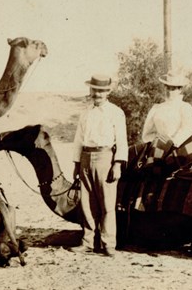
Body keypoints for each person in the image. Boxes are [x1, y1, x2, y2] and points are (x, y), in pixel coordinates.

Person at [71, 74, 128, 256]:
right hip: (86, 156)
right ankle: (88, 242)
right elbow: (78, 140)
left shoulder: (115, 113)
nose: (98, 94)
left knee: (107, 203)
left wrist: (117, 163)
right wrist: (76, 164)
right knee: (87, 203)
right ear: (90, 90)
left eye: (102, 91)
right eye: (95, 90)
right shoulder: (85, 113)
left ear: (108, 92)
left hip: (105, 157)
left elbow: (121, 140)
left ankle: (108, 243)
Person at [141, 72, 192, 146]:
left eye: (173, 88)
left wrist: (171, 142)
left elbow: (188, 130)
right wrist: (158, 141)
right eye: (167, 87)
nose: (169, 91)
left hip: (179, 150)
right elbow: (147, 135)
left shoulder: (185, 108)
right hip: (159, 149)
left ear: (180, 89)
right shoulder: (156, 108)